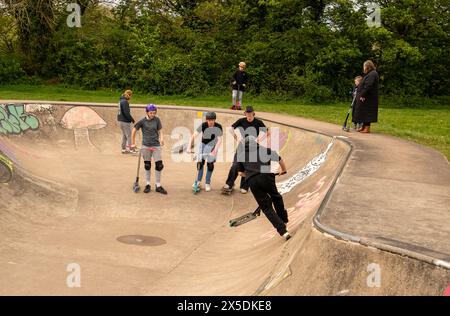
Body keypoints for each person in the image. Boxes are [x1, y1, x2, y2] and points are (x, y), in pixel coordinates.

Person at [236, 137, 290, 240]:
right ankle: (283, 219)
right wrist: (283, 170)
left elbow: (240, 173)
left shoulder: (241, 155)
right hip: (266, 176)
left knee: (266, 208)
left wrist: (250, 174)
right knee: (276, 197)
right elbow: (280, 159)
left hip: (252, 182)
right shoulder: (264, 150)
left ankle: (283, 232)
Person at [222, 105, 268, 195]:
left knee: (248, 166)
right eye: (247, 114)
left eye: (251, 114)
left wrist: (259, 140)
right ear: (245, 114)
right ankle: (229, 183)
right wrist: (235, 136)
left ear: (253, 114)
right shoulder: (241, 121)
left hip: (253, 147)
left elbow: (268, 132)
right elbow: (231, 128)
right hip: (242, 145)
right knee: (235, 165)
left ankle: (244, 186)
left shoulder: (258, 122)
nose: (249, 116)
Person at [131, 104, 168, 195]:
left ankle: (158, 185)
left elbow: (160, 131)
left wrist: (162, 138)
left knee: (159, 165)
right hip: (146, 146)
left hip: (156, 145)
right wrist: (132, 143)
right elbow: (134, 130)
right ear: (147, 112)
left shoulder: (157, 120)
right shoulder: (142, 121)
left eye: (154, 113)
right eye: (151, 113)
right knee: (147, 165)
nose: (152, 115)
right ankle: (147, 184)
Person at [187, 112, 223, 192]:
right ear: (206, 120)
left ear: (214, 120)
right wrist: (189, 147)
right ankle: (198, 181)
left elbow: (219, 140)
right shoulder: (203, 125)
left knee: (210, 165)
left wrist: (214, 150)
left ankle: (207, 183)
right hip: (203, 145)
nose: (211, 122)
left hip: (213, 146)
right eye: (209, 120)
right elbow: (193, 136)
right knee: (200, 163)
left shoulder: (218, 126)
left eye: (212, 120)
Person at [354, 60, 379, 133]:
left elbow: (368, 86)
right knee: (363, 112)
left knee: (367, 112)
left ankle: (367, 128)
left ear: (367, 66)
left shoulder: (372, 74)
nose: (363, 68)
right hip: (366, 97)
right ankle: (363, 127)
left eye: (364, 66)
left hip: (369, 98)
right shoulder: (370, 74)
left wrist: (362, 94)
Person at [117, 90, 137, 154]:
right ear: (128, 95)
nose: (130, 97)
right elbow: (126, 113)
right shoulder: (125, 102)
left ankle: (123, 149)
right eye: (130, 96)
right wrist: (132, 119)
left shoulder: (120, 101)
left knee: (124, 135)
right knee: (129, 135)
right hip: (125, 121)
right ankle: (131, 149)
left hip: (120, 120)